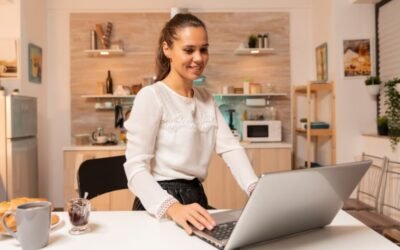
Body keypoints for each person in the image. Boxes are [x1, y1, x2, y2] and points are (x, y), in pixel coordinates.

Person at [123, 13, 258, 235]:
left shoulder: (206, 98)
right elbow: (135, 169)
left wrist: (254, 188)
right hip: (161, 202)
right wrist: (172, 208)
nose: (198, 58)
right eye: (189, 50)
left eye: (203, 49)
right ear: (167, 49)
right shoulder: (152, 96)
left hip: (195, 197)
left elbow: (231, 148)